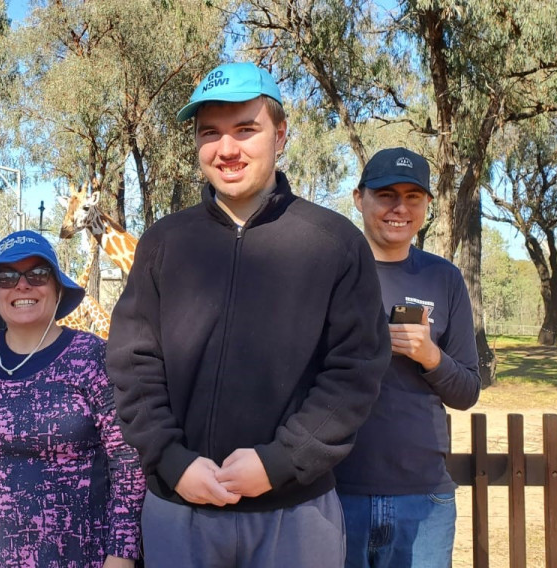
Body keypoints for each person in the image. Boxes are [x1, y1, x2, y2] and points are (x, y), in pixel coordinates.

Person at [105, 61, 392, 567]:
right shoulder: (164, 243)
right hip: (179, 509)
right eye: (209, 133)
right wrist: (172, 461)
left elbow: (355, 372)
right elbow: (133, 366)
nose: (227, 148)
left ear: (280, 135)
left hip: (295, 513)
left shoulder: (334, 243)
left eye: (245, 129)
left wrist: (280, 461)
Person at [0, 230, 144, 568]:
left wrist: (122, 553)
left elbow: (127, 461)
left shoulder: (91, 355)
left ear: (57, 290)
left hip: (81, 556)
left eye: (38, 274)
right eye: (7, 277)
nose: (22, 285)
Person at [335, 148, 481, 568]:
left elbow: (467, 391)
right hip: (337, 491)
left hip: (425, 498)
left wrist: (431, 355)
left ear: (427, 204)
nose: (400, 208)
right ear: (359, 198)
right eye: (386, 195)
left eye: (413, 197)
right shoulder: (330, 271)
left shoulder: (444, 278)